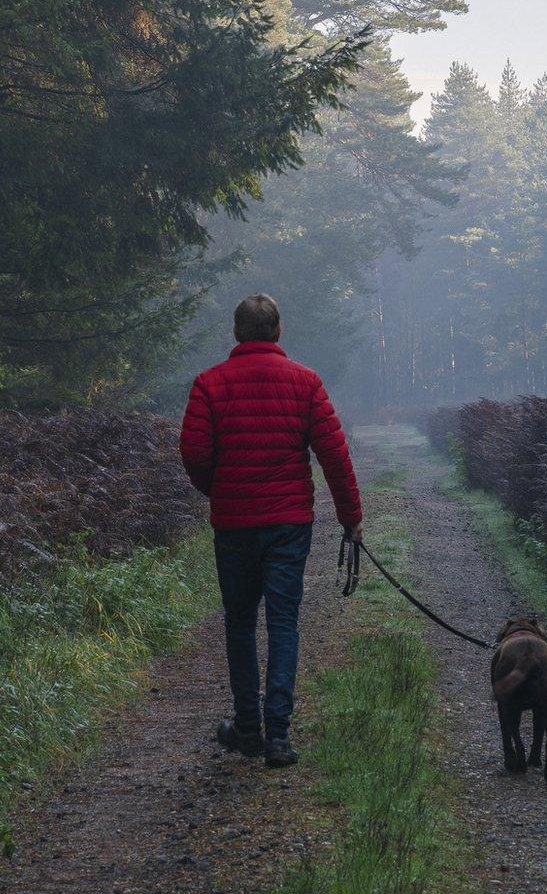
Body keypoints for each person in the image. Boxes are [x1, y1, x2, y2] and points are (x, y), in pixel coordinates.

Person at [179, 293, 362, 768]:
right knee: (283, 623)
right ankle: (278, 736)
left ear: (237, 333)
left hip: (234, 525)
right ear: (278, 331)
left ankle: (247, 728)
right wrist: (351, 518)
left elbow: (195, 455)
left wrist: (219, 490)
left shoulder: (208, 385)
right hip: (288, 525)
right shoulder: (305, 383)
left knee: (240, 623)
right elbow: (334, 457)